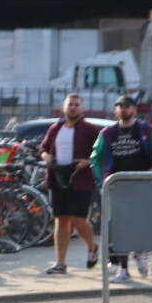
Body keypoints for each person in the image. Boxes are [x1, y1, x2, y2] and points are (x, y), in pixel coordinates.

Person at [89, 94, 152, 280]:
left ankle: (141, 253)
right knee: (119, 228)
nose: (123, 109)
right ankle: (123, 269)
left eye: (127, 106)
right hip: (117, 185)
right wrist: (102, 180)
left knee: (142, 223)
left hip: (142, 184)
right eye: (120, 106)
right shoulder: (108, 133)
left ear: (134, 109)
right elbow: (95, 156)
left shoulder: (146, 130)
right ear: (116, 110)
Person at [37, 93, 102, 274]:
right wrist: (46, 156)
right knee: (61, 219)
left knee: (78, 219)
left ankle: (91, 246)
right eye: (70, 104)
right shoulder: (56, 127)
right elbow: (42, 148)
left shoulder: (89, 129)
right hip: (58, 176)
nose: (73, 107)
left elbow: (100, 151)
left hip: (80, 177)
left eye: (76, 104)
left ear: (82, 108)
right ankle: (60, 263)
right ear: (64, 108)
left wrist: (87, 161)